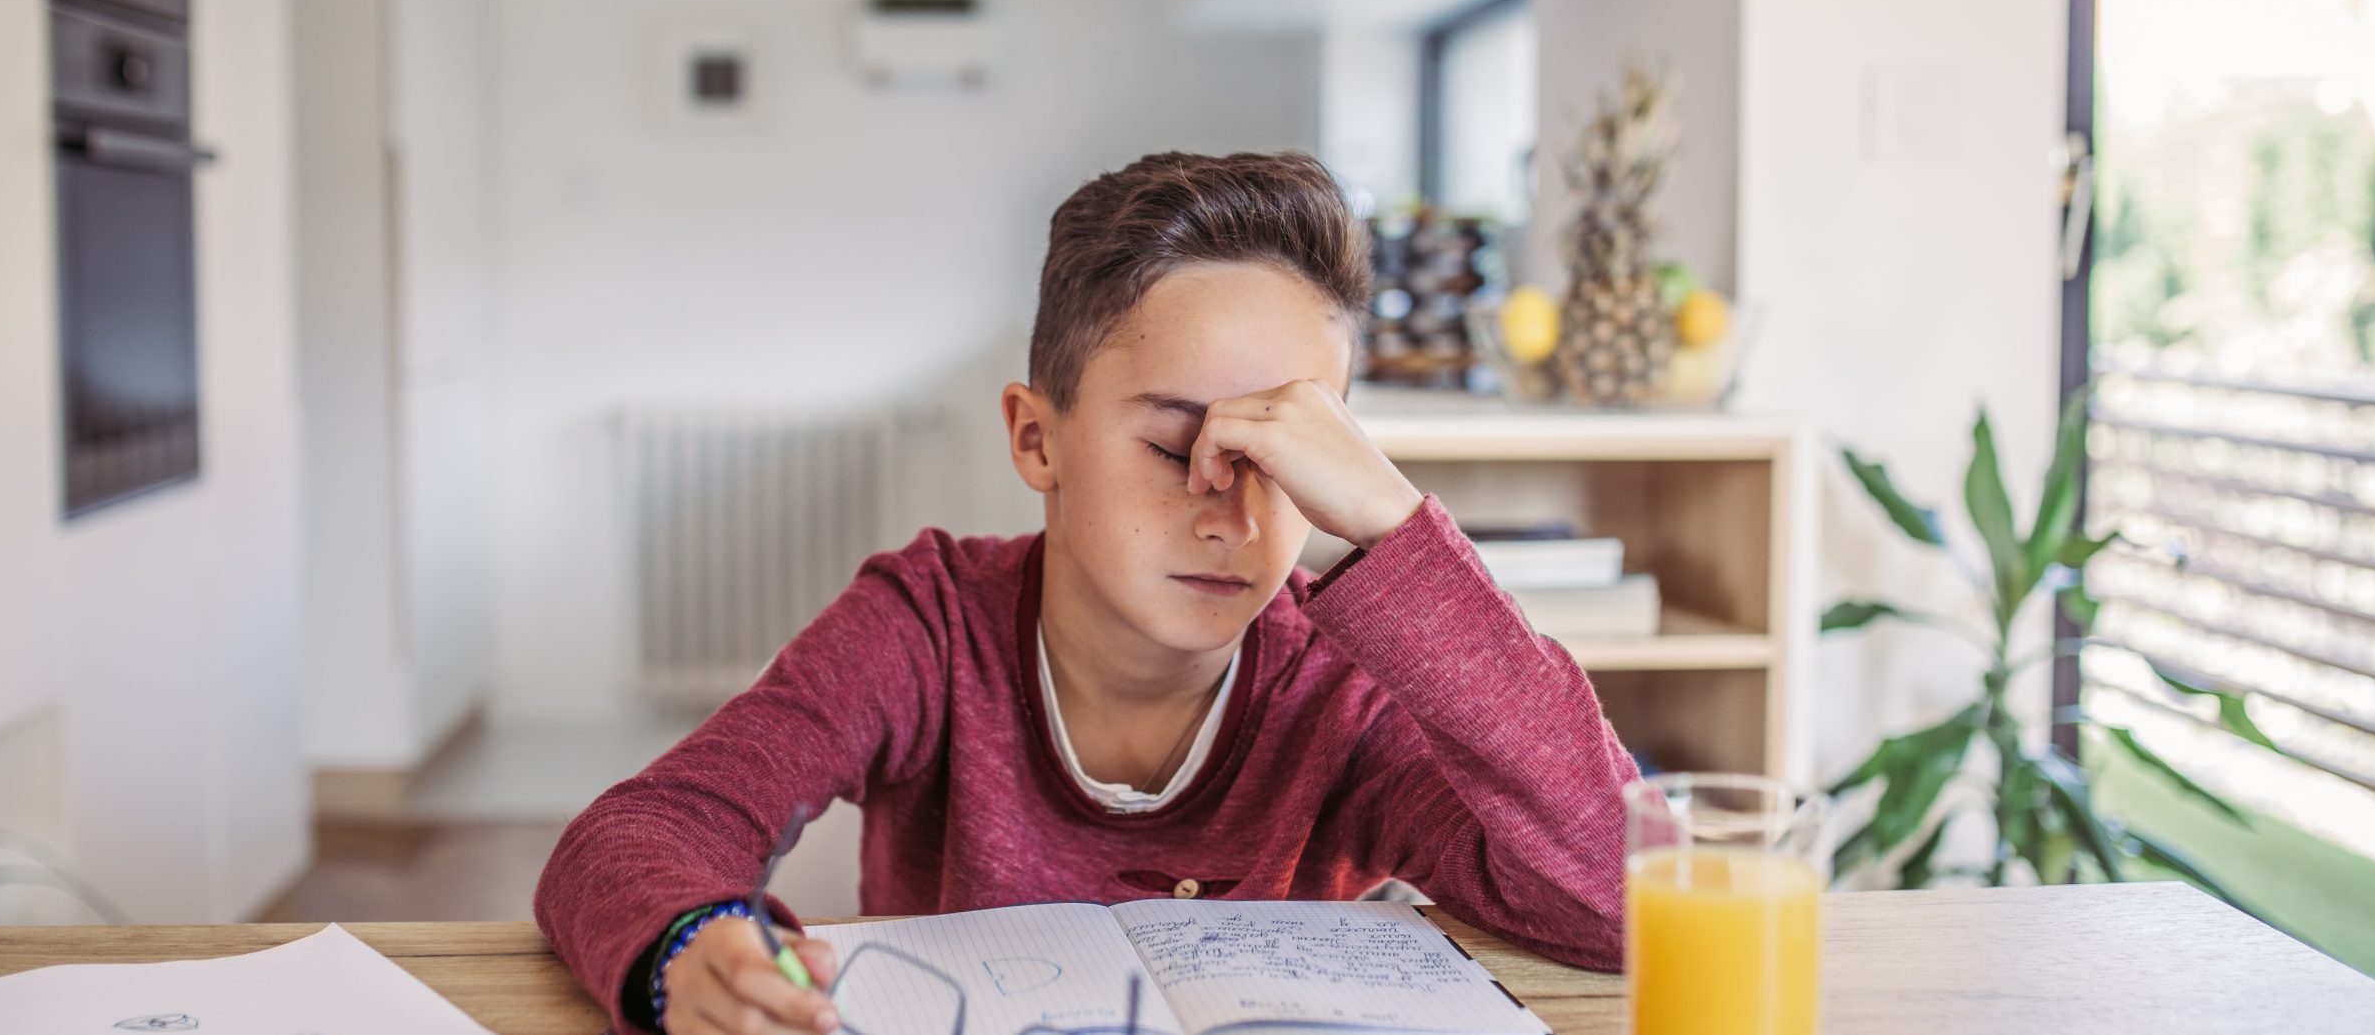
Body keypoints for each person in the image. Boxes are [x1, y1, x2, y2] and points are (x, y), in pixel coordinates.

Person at [535, 150, 1640, 1035]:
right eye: (1175, 447)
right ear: (1035, 435)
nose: (1233, 516)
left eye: (1290, 461)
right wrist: (693, 942)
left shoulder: (1339, 681)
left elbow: (1627, 903)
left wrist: (1399, 532)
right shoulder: (927, 625)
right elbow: (643, 828)